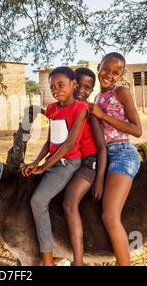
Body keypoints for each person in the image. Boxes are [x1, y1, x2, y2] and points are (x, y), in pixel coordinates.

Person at [20, 66, 88, 266]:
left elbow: (68, 144)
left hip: (68, 163)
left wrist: (45, 166)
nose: (56, 90)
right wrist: (36, 162)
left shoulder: (80, 109)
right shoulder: (52, 109)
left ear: (73, 84)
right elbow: (51, 142)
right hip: (54, 161)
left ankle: (48, 259)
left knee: (38, 201)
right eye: (52, 87)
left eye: (61, 85)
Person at [88, 52, 143, 266]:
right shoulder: (97, 98)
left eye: (116, 72)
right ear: (99, 66)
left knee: (110, 216)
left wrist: (102, 116)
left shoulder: (121, 92)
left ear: (120, 76)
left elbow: (137, 130)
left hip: (122, 154)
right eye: (106, 69)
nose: (109, 75)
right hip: (102, 156)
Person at [62, 67, 107, 266]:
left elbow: (102, 148)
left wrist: (99, 179)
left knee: (69, 202)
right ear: (72, 83)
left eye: (87, 87)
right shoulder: (68, 108)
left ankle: (78, 262)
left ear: (92, 91)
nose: (82, 90)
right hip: (75, 161)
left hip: (91, 162)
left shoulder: (90, 112)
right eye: (79, 84)